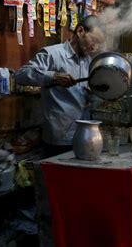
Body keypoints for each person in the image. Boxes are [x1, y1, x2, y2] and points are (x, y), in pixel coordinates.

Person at [15, 16, 105, 157]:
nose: (94, 47)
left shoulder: (89, 62)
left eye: (98, 44)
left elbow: (90, 100)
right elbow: (21, 75)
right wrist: (53, 76)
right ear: (80, 31)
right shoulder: (52, 54)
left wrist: (94, 94)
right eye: (93, 40)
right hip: (59, 138)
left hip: (84, 135)